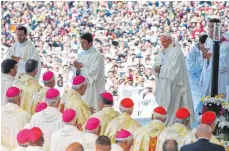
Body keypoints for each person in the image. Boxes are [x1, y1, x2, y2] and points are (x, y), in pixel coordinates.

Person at [155, 32, 194, 125]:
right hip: (163, 83)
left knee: (172, 108)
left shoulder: (176, 51)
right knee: (163, 106)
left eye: (164, 42)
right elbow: (157, 62)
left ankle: (171, 126)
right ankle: (163, 125)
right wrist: (155, 68)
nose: (162, 44)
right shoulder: (162, 50)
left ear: (170, 40)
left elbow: (176, 71)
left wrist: (161, 69)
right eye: (161, 41)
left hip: (173, 85)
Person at [72, 32, 105, 111]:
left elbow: (93, 74)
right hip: (81, 88)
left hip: (93, 89)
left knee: (92, 110)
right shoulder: (81, 55)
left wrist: (81, 67)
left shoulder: (96, 56)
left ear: (90, 43)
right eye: (81, 43)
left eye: (84, 43)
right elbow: (77, 71)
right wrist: (77, 68)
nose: (82, 45)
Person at [200, 18, 229, 97]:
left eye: (211, 27)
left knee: (217, 105)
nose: (209, 29)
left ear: (218, 28)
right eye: (208, 27)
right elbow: (204, 61)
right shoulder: (208, 41)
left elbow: (224, 66)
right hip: (207, 78)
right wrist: (205, 57)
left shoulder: (225, 45)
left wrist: (210, 58)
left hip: (219, 81)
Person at [186, 35, 208, 111]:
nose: (204, 48)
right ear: (199, 42)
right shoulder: (192, 52)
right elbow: (190, 68)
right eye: (203, 45)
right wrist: (201, 60)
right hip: (195, 82)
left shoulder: (208, 49)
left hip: (205, 80)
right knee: (197, 103)